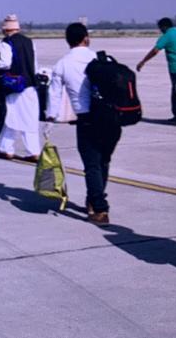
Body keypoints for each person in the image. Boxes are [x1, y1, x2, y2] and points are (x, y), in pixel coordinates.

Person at [46, 23, 117, 224]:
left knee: (92, 165)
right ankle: (93, 199)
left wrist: (50, 118)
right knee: (103, 161)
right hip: (111, 118)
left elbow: (54, 95)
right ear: (86, 38)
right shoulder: (100, 58)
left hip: (87, 119)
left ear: (67, 40)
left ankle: (100, 209)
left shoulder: (62, 64)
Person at [136, 17, 176, 127]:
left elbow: (155, 50)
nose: (160, 30)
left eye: (160, 28)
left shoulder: (167, 36)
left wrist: (143, 61)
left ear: (164, 27)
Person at [0, 14, 41, 160]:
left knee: (12, 117)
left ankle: (6, 149)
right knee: (30, 119)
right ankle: (33, 151)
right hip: (30, 85)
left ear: (5, 30)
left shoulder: (7, 42)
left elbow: (5, 63)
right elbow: (35, 65)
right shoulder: (29, 42)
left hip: (15, 85)